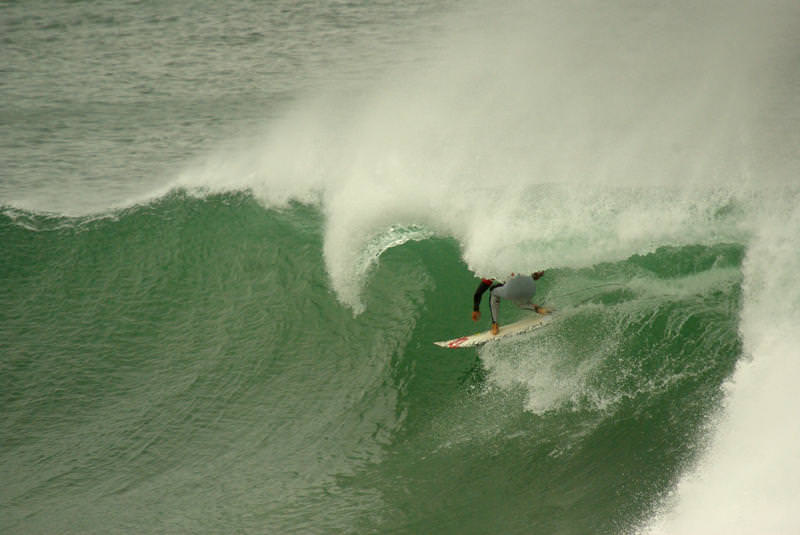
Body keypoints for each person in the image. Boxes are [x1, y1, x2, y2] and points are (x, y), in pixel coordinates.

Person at [472, 271, 547, 335]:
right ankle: (540, 309)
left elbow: (479, 292)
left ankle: (495, 325)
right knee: (520, 302)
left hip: (512, 290)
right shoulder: (518, 259)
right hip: (531, 288)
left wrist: (476, 309)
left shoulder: (493, 268)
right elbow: (534, 275)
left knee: (493, 291)